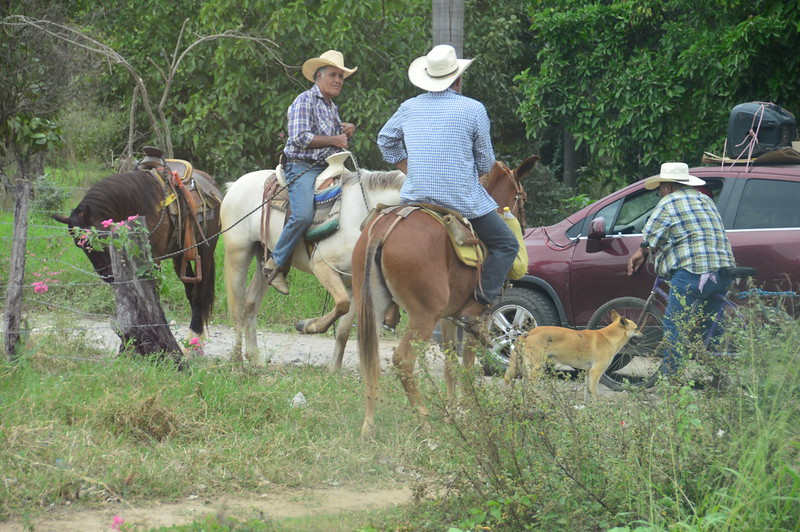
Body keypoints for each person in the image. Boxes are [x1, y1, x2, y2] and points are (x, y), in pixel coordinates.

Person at [376, 44, 519, 335]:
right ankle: (476, 306)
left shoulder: (409, 106)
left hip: (416, 200)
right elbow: (486, 163)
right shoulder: (473, 108)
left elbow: (385, 141)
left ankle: (392, 301)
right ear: (458, 78)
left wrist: (410, 168)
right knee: (507, 245)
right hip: (460, 200)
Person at [627, 162, 737, 376]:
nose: (660, 193)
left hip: (693, 271)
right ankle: (718, 377)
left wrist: (642, 251)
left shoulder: (669, 202)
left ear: (668, 186)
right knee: (711, 325)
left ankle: (671, 381)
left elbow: (652, 235)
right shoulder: (705, 199)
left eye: (660, 188)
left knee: (675, 325)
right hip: (722, 270)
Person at [265, 50, 358, 294]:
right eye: (333, 75)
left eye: (341, 76)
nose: (338, 80)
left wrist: (346, 129)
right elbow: (300, 137)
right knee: (303, 214)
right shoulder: (304, 100)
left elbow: (330, 135)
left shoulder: (331, 106)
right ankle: (275, 264)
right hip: (301, 166)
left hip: (327, 165)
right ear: (318, 77)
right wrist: (335, 140)